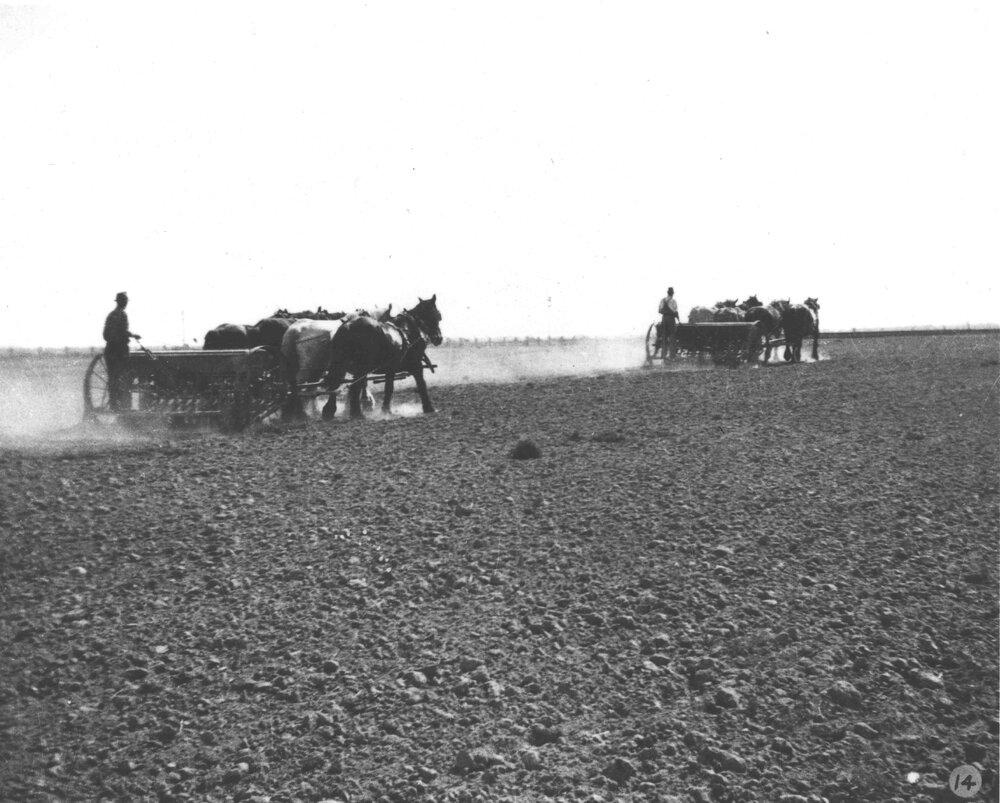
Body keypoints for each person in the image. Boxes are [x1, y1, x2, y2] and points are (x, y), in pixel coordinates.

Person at [103, 292, 140, 411]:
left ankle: (115, 405)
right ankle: (125, 406)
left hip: (110, 351)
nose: (126, 303)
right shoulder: (122, 315)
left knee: (113, 379)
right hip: (119, 351)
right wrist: (133, 335)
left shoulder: (111, 315)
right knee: (125, 378)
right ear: (121, 302)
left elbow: (106, 334)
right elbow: (123, 331)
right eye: (125, 301)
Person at [658, 287, 679, 359]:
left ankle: (663, 355)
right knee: (672, 336)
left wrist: (665, 312)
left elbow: (659, 310)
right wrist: (678, 320)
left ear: (667, 293)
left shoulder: (662, 300)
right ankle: (672, 356)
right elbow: (675, 312)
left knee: (664, 337)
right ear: (672, 293)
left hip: (664, 319)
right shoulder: (673, 301)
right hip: (671, 319)